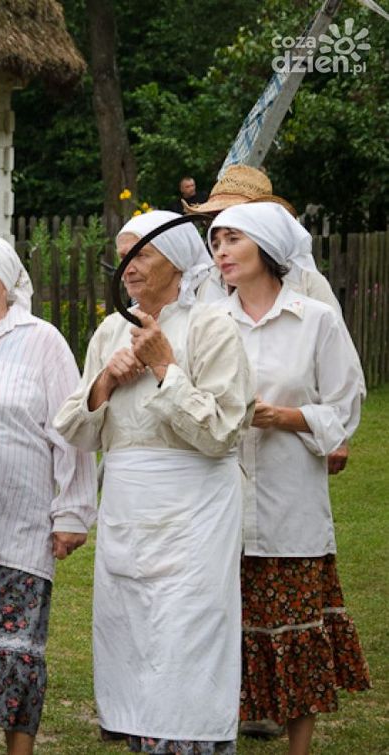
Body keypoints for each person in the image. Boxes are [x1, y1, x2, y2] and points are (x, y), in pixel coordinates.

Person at [54, 212, 255, 754]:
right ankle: (142, 738)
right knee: (130, 630)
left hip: (194, 507)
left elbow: (224, 431)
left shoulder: (213, 325)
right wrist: (106, 381)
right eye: (123, 255)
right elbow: (74, 428)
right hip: (127, 502)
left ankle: (192, 742)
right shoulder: (111, 329)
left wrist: (167, 369)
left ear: (177, 260)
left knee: (187, 629)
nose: (128, 267)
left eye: (140, 254)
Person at [209, 202, 369, 755]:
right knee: (223, 634)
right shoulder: (210, 321)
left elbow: (346, 405)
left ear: (267, 248)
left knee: (297, 635)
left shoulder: (314, 319)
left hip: (289, 500)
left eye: (233, 239)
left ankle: (298, 748)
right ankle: (219, 735)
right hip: (220, 501)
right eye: (216, 242)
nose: (221, 252)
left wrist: (287, 417)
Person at [0, 234, 97, 755]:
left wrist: (72, 512)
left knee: (16, 653)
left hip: (20, 525)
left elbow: (71, 432)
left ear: (6, 283)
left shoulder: (40, 340)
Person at [184, 164, 341, 314]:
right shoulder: (211, 281)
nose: (222, 223)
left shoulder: (306, 281)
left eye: (233, 236)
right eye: (215, 218)